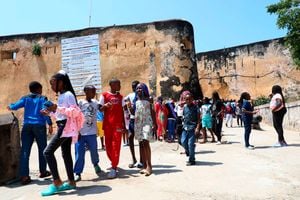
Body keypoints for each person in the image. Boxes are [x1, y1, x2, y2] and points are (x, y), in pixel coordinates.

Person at [40, 70, 84, 196]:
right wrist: (50, 112)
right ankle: (71, 182)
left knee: (47, 152)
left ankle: (57, 182)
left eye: (54, 84)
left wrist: (56, 108)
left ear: (62, 83)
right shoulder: (62, 95)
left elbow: (74, 112)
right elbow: (61, 114)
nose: (52, 87)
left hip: (66, 127)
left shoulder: (69, 94)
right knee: (66, 154)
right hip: (63, 125)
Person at [7, 81, 53, 185]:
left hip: (27, 126)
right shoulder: (42, 98)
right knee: (43, 149)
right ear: (38, 89)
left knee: (25, 151)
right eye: (41, 89)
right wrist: (49, 124)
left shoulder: (25, 98)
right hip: (39, 126)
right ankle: (43, 171)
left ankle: (24, 176)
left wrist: (10, 106)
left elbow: (14, 106)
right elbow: (45, 111)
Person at [99, 78, 126, 179]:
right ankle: (113, 162)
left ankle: (114, 168)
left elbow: (123, 111)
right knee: (108, 146)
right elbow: (99, 108)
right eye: (117, 84)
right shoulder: (105, 95)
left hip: (117, 125)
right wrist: (105, 106)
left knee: (116, 146)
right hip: (107, 125)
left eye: (119, 84)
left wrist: (124, 125)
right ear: (111, 85)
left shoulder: (121, 97)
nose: (119, 86)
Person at [73, 85, 101, 182]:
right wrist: (77, 131)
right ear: (85, 92)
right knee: (79, 153)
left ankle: (96, 164)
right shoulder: (80, 103)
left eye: (94, 92)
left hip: (92, 133)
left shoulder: (95, 102)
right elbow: (75, 117)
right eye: (91, 92)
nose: (93, 94)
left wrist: (106, 106)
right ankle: (78, 173)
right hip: (80, 133)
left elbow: (101, 108)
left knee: (94, 151)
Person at [133, 83, 156, 176]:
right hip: (138, 123)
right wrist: (129, 108)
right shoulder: (136, 101)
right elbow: (133, 112)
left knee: (146, 142)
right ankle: (144, 165)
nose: (139, 90)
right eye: (137, 88)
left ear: (144, 89)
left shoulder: (149, 99)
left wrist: (155, 123)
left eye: (141, 88)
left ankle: (149, 166)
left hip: (147, 123)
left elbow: (153, 111)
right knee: (142, 144)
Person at [124, 80, 143, 169]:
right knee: (130, 137)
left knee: (140, 140)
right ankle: (134, 159)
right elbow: (124, 104)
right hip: (132, 119)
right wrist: (126, 110)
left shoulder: (141, 95)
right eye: (133, 86)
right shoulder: (129, 96)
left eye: (135, 86)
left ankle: (141, 160)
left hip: (139, 120)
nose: (134, 87)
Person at [181, 93, 200, 166]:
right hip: (185, 128)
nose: (188, 100)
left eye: (189, 99)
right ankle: (189, 151)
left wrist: (197, 128)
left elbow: (199, 119)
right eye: (186, 99)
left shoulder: (196, 108)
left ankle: (192, 160)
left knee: (190, 144)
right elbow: (184, 117)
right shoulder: (185, 107)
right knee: (183, 142)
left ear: (192, 99)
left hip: (193, 128)